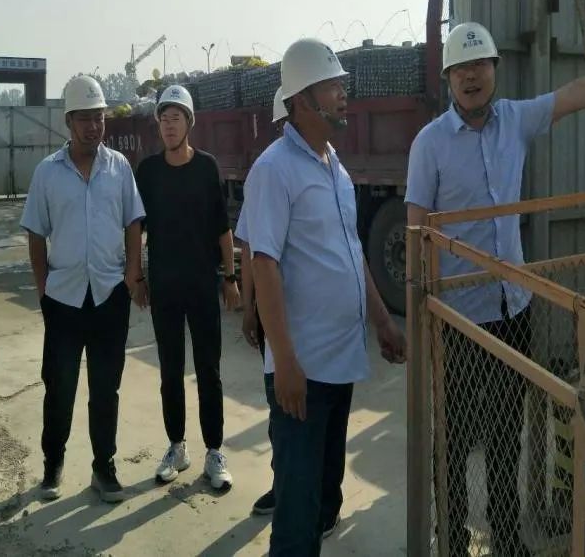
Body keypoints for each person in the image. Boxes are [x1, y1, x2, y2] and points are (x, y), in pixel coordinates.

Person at [405, 22, 585, 557]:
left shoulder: (515, 120)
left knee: (508, 433)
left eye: (479, 65)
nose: (471, 77)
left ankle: (508, 539)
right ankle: (454, 540)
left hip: (513, 307)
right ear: (448, 80)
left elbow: (576, 94)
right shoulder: (429, 144)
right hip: (456, 315)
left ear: (494, 70)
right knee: (454, 436)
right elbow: (418, 228)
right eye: (460, 70)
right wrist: (421, 314)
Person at [242, 40, 407, 556]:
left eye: (341, 85)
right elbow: (263, 264)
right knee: (296, 507)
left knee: (320, 495)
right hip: (303, 371)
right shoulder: (274, 169)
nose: (343, 95)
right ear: (301, 99)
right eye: (333, 86)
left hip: (339, 362)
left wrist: (382, 321)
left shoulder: (335, 166)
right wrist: (285, 361)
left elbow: (352, 253)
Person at [20, 74, 146, 504]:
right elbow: (36, 234)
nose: (94, 127)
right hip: (64, 299)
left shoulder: (119, 167)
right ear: (68, 121)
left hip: (109, 296)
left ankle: (103, 467)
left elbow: (133, 222)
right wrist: (43, 290)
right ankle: (52, 464)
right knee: (60, 386)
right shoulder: (48, 173)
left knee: (106, 388)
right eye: (86, 119)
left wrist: (131, 275)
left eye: (100, 118)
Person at [135, 84, 241, 491]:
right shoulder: (148, 172)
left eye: (176, 118)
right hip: (164, 286)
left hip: (201, 285)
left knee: (209, 369)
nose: (168, 125)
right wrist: (137, 277)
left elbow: (222, 227)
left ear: (189, 123)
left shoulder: (206, 167)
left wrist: (229, 278)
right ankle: (177, 447)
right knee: (170, 370)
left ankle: (214, 451)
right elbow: (136, 229)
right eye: (163, 119)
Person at [237, 87, 286, 517]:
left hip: (313, 317)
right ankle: (282, 483)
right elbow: (251, 247)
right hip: (277, 314)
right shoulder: (267, 172)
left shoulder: (329, 168)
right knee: (279, 406)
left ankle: (322, 499)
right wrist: (249, 307)